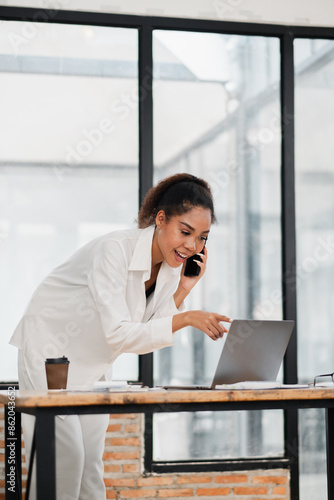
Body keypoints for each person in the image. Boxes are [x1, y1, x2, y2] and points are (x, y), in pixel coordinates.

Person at [10, 172, 231, 500]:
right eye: (185, 232)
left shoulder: (172, 269)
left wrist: (184, 287)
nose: (192, 245)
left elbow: (149, 328)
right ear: (160, 219)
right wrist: (186, 318)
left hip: (95, 362)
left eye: (202, 238)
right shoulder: (115, 249)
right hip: (49, 352)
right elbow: (120, 333)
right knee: (64, 458)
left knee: (90, 466)